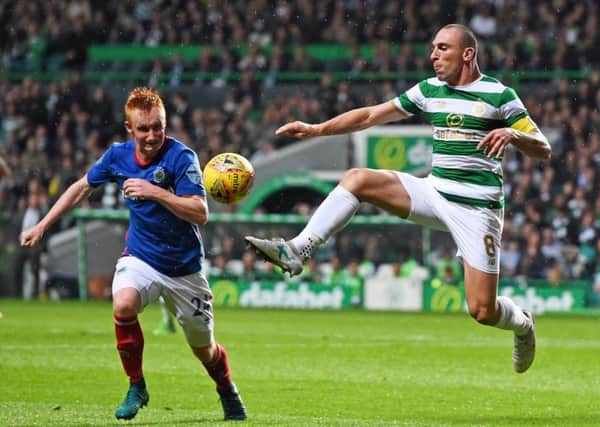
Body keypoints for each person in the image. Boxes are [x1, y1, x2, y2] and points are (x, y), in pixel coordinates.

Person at [246, 24, 551, 374]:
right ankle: (298, 249)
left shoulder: (499, 96)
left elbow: (543, 148)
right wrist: (317, 129)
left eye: (443, 49)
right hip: (435, 192)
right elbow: (372, 114)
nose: (433, 56)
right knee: (357, 179)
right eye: (433, 48)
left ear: (467, 54)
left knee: (482, 311)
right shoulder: (429, 90)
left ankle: (523, 324)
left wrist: (513, 134)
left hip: (477, 209)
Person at [21, 87, 247, 421]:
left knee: (205, 349)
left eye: (158, 126)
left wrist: (155, 192)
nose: (153, 134)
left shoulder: (181, 157)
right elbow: (81, 187)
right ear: (130, 129)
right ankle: (136, 385)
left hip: (185, 269)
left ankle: (226, 389)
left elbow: (200, 211)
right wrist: (43, 225)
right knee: (123, 304)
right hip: (141, 258)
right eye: (144, 129)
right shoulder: (117, 157)